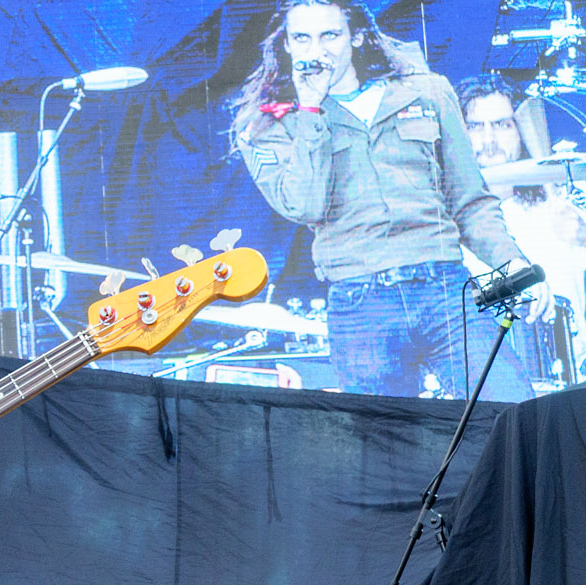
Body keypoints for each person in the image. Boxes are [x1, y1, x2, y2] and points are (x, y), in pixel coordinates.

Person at [231, 0, 542, 400]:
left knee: (513, 409)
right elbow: (304, 206)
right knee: (386, 436)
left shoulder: (425, 91)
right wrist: (310, 110)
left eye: (330, 35)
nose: (317, 51)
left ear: (357, 36)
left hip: (443, 286)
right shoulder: (269, 123)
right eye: (302, 38)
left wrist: (515, 266)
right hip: (361, 302)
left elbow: (470, 201)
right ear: (287, 45)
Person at [456, 73, 585, 385]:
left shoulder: (566, 195)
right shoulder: (446, 220)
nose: (489, 141)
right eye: (475, 127)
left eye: (502, 125)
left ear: (521, 131)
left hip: (575, 377)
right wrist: (517, 284)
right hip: (489, 381)